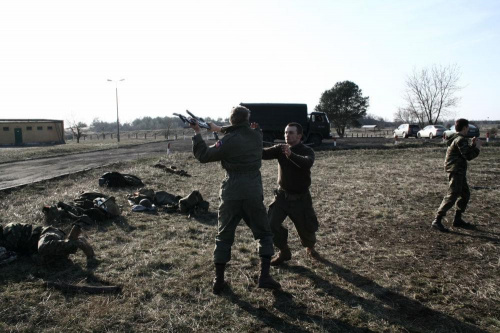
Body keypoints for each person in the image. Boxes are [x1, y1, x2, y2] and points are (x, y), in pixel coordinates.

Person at [190, 106, 280, 294]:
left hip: (231, 191)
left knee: (223, 236)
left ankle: (219, 280)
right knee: (264, 233)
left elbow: (203, 155)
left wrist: (198, 133)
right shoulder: (257, 136)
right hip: (253, 192)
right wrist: (217, 128)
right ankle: (264, 276)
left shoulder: (228, 141)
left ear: (231, 121)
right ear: (247, 121)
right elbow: (241, 130)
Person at [260, 122, 321, 265]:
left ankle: (310, 247)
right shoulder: (280, 149)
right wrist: (255, 135)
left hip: (301, 198)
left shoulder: (307, 151)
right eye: (286, 132)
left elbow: (307, 163)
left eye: (291, 133)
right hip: (282, 197)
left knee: (307, 228)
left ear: (299, 136)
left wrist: (291, 154)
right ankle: (284, 251)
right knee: (270, 225)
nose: (287, 135)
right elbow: (262, 153)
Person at [432, 118, 481, 232]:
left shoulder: (458, 138)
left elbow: (465, 152)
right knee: (452, 195)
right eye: (468, 127)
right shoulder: (460, 140)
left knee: (465, 194)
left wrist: (473, 145)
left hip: (458, 170)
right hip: (456, 170)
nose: (468, 129)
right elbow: (468, 156)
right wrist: (477, 147)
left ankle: (457, 219)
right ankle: (437, 220)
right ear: (465, 127)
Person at [0, 223, 94, 263]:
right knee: (42, 259)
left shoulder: (9, 229)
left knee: (43, 247)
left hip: (48, 234)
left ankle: (78, 242)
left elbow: (14, 249)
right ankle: (71, 240)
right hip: (40, 246)